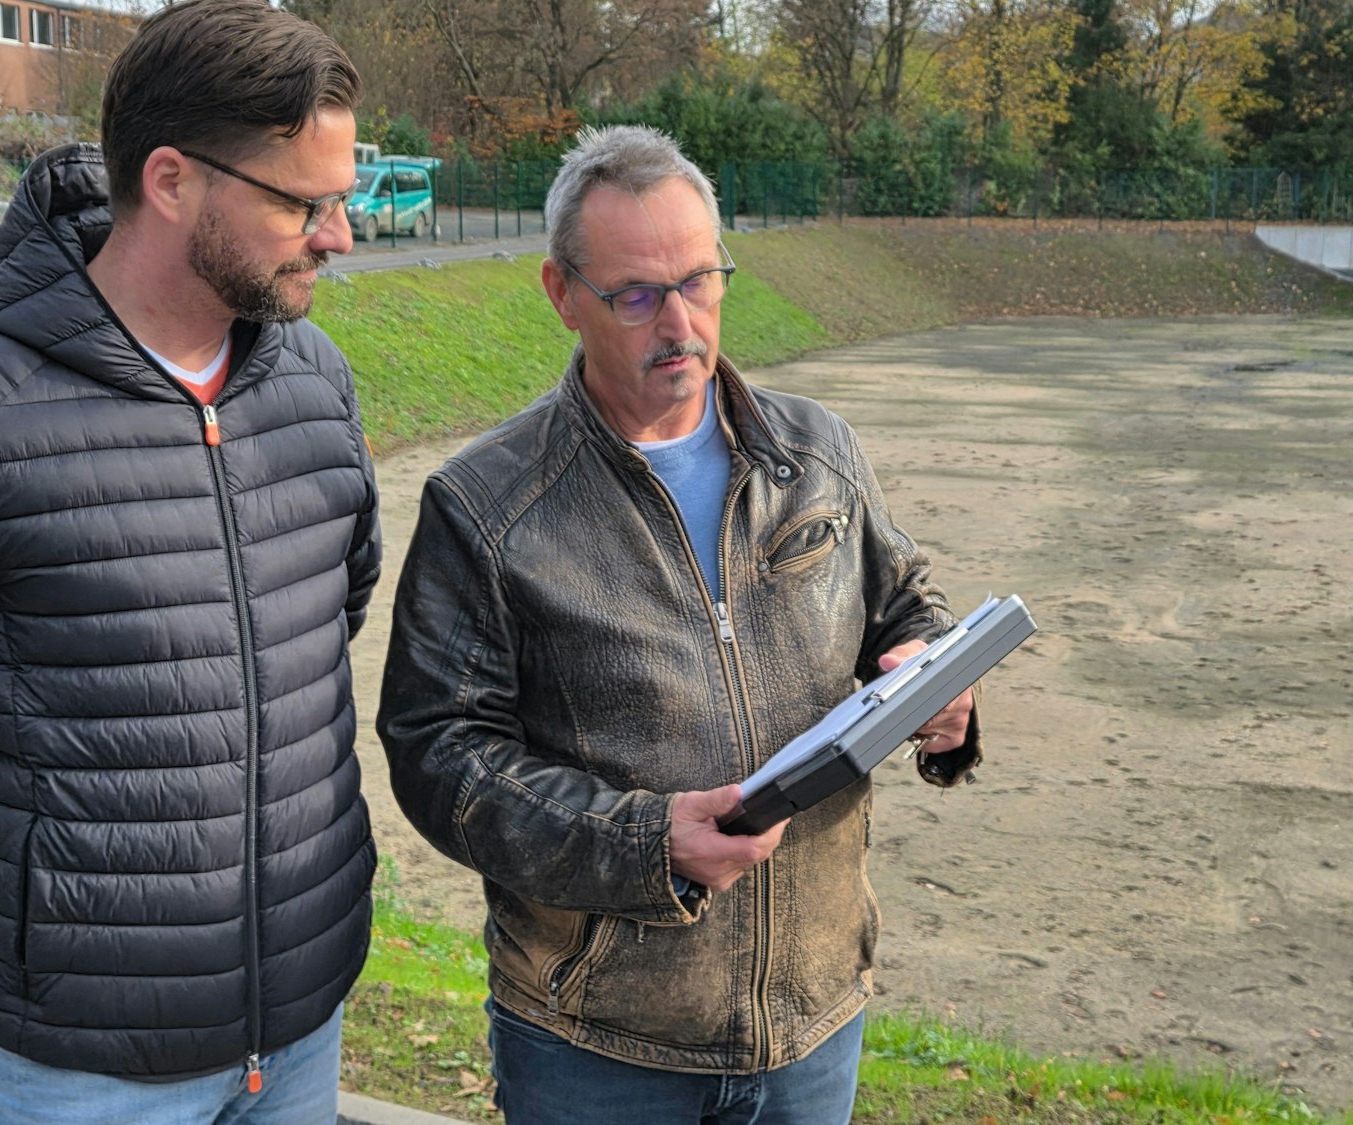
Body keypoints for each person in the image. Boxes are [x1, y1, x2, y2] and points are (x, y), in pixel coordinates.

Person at [0, 1, 380, 1120]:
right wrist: (30, 903)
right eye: (304, 202)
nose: (338, 235)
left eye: (339, 200)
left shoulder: (316, 386)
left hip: (301, 1021)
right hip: (75, 1066)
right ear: (170, 181)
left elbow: (315, 631)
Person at [378, 124, 981, 1123]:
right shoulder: (484, 507)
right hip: (595, 1044)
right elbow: (437, 758)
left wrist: (939, 674)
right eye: (636, 294)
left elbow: (902, 601)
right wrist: (642, 842)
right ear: (559, 293)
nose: (682, 323)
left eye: (701, 280)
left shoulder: (815, 452)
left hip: (812, 1023)